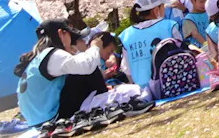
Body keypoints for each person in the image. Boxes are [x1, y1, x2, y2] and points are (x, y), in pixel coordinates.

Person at [15, 20, 149, 129]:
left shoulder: (38, 58)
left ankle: (102, 95)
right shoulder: (52, 54)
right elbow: (86, 66)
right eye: (70, 37)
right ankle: (104, 98)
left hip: (37, 120)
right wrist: (95, 46)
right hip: (51, 118)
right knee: (89, 68)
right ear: (61, 34)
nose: (72, 42)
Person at [118, 0, 183, 92]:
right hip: (172, 85)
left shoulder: (126, 35)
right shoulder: (169, 26)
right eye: (162, 6)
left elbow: (127, 69)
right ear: (155, 10)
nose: (164, 9)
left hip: (143, 92)